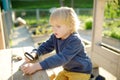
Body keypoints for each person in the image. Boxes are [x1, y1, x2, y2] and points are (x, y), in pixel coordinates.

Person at [21, 7, 92, 80]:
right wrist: (35, 53)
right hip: (67, 70)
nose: (54, 29)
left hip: (81, 72)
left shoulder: (75, 41)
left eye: (58, 26)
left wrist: (36, 66)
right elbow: (45, 46)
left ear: (71, 26)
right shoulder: (56, 36)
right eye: (52, 26)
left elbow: (61, 58)